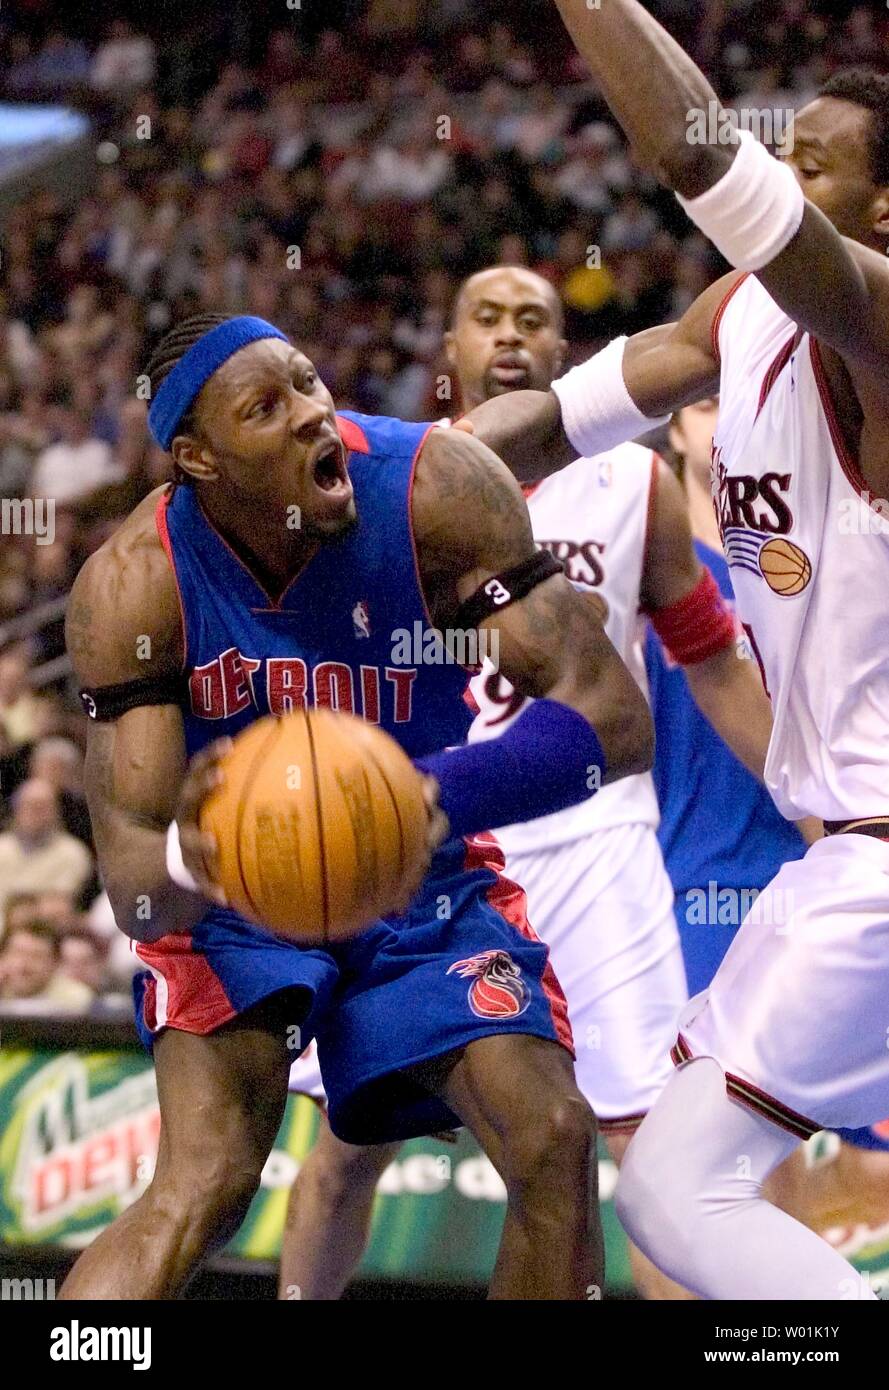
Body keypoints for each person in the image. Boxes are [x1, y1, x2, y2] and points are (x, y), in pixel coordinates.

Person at [60, 310, 654, 1301]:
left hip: (416, 870)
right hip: (230, 895)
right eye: (265, 406)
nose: (309, 414)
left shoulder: (436, 491)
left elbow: (615, 722)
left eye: (306, 380)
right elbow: (133, 886)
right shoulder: (132, 584)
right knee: (203, 1183)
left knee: (553, 1138)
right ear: (198, 458)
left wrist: (412, 799)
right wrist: (197, 862)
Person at [463, 1, 889, 1299]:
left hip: (877, 856)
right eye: (790, 151)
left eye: (818, 163)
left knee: (675, 1182)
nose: (786, 169)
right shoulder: (735, 317)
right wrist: (379, 485)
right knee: (684, 1180)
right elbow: (553, 424)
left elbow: (705, 159)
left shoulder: (874, 314)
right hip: (851, 851)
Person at [280, 265, 774, 1301]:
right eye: (487, 318)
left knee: (643, 1146)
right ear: (448, 350)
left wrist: (817, 803)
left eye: (534, 320)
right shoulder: (383, 482)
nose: (510, 335)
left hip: (596, 837)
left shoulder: (633, 485)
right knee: (347, 1139)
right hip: (429, 839)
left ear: (559, 358)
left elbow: (711, 659)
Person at [647, 396, 889, 1278]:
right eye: (705, 401)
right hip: (702, 887)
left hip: (838, 882)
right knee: (690, 1189)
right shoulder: (657, 570)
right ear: (672, 427)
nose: (725, 419)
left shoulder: (824, 542)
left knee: (826, 1175)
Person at [0, 778, 93, 915]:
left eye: (41, 807)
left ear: (56, 812)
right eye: (28, 806)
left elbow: (59, 906)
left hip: (44, 931)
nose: (34, 813)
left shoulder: (72, 853)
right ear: (16, 810)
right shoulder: (2, 847)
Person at [0, 919, 94, 1011]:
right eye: (17, 953)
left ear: (55, 962)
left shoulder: (77, 1002)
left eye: (35, 956)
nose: (22, 965)